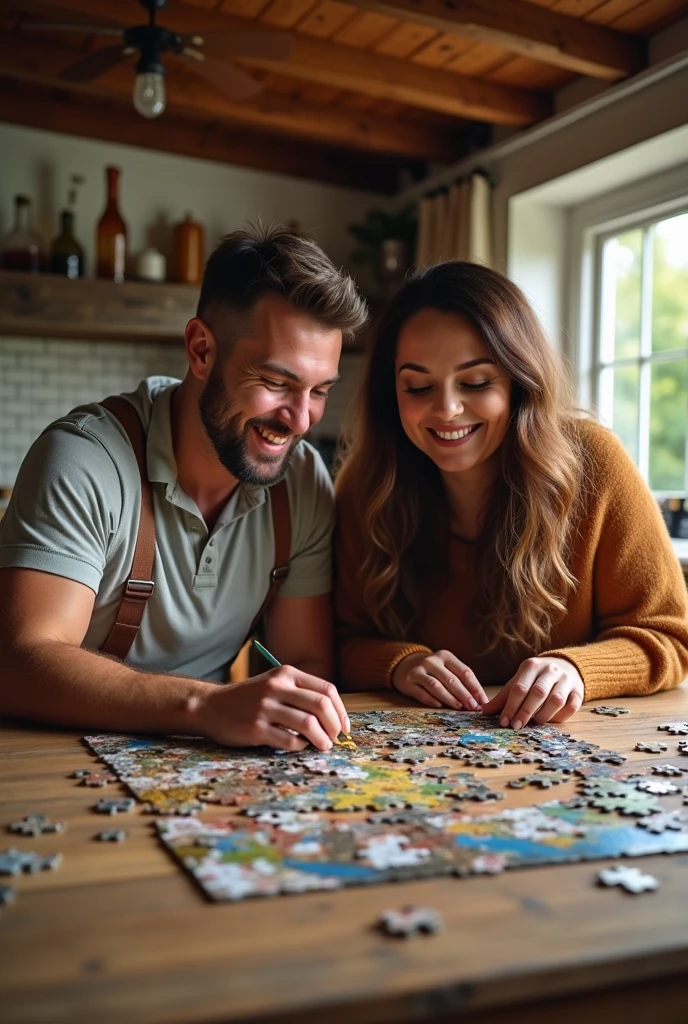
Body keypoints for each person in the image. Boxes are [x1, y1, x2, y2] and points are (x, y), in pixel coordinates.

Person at [0, 225, 368, 751]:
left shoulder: (302, 481)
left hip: (206, 766)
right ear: (200, 349)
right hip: (53, 761)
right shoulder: (84, 459)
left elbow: (304, 662)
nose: (301, 420)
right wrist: (203, 705)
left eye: (319, 392)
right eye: (276, 383)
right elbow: (19, 662)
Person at [334, 260, 688, 730]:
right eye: (418, 387)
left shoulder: (595, 464)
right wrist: (399, 663)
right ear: (391, 393)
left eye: (476, 382)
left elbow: (668, 638)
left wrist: (575, 669)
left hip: (577, 752)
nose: (447, 409)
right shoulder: (368, 481)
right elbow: (339, 640)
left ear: (519, 381)